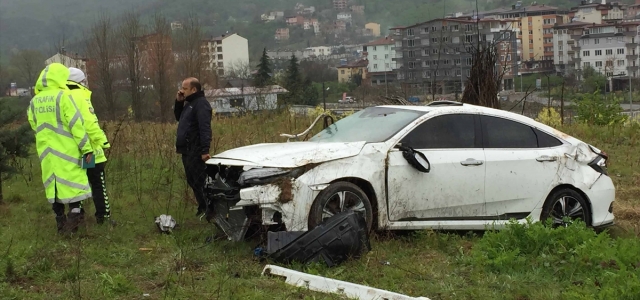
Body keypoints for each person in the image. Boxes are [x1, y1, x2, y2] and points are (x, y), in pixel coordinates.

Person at [27, 63, 94, 234]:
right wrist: (86, 149)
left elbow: (34, 125)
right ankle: (74, 219)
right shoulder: (63, 97)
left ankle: (60, 221)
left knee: (53, 186)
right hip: (67, 150)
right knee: (74, 183)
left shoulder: (34, 101)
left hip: (47, 153)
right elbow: (76, 125)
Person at [66, 67, 113, 225]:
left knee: (77, 183)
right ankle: (103, 217)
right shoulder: (80, 96)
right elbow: (89, 123)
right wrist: (103, 141)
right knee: (97, 182)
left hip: (71, 150)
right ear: (80, 81)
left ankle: (77, 218)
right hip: (89, 151)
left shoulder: (62, 96)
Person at [174, 77, 212, 219]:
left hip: (196, 150)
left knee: (200, 180)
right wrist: (179, 102)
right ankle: (202, 207)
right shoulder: (189, 104)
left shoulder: (201, 104)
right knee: (192, 180)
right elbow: (179, 118)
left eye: (184, 88)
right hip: (186, 150)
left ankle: (209, 209)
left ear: (194, 89)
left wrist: (205, 150)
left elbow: (205, 128)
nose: (181, 91)